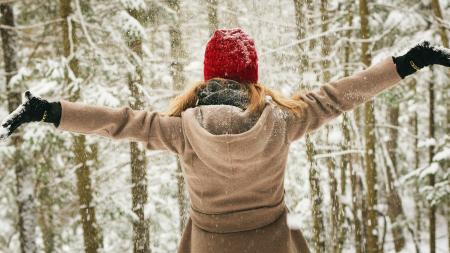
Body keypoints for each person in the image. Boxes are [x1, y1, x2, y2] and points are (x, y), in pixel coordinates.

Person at [1, 28, 450, 253]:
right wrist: (407, 63)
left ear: (208, 75)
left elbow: (120, 122)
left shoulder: (181, 130)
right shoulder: (283, 120)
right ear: (252, 76)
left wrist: (50, 111)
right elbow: (338, 97)